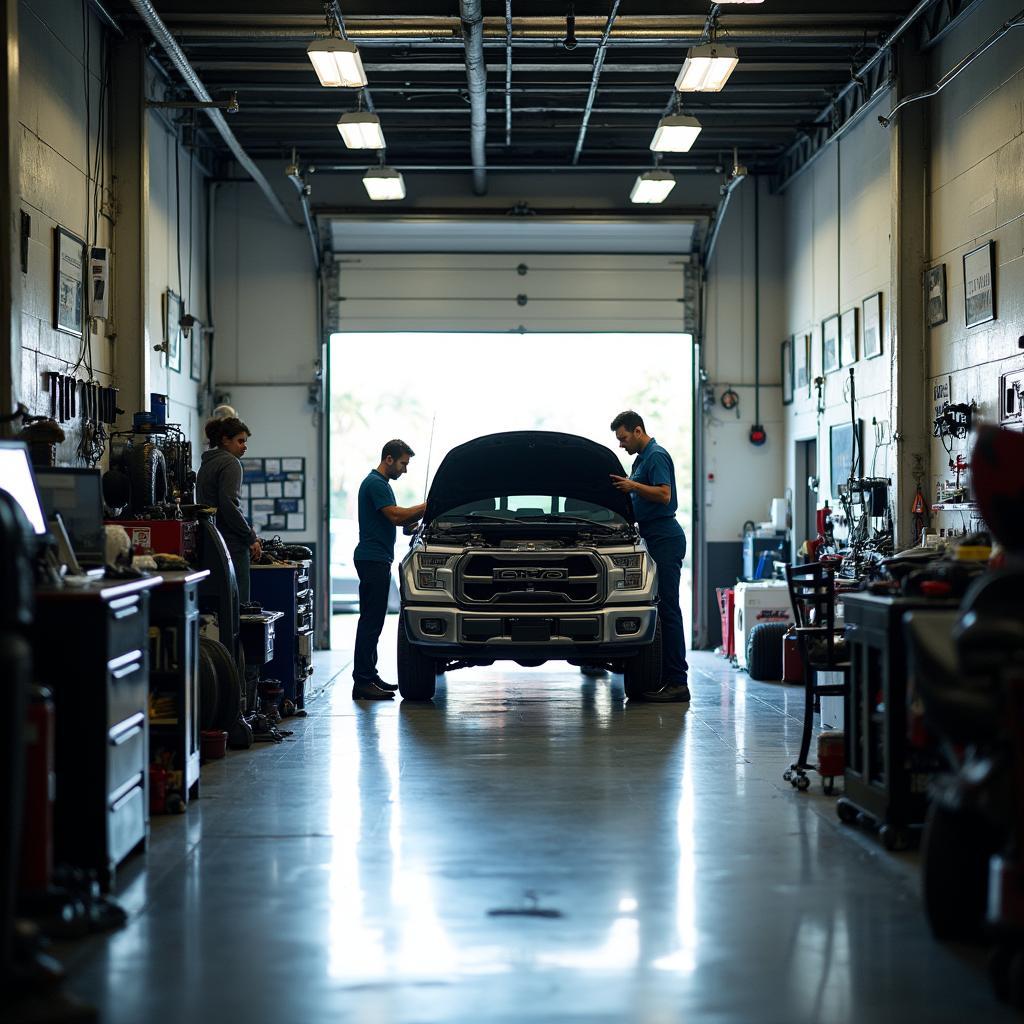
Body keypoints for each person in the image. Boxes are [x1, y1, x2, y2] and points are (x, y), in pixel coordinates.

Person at [609, 411, 690, 704]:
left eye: (623, 438)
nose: (621, 444)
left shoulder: (656, 455)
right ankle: (666, 677)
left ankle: (678, 682)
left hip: (665, 537)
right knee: (659, 608)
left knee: (669, 609)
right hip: (652, 536)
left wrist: (633, 486)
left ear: (638, 430)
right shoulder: (641, 460)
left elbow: (664, 495)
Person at [352, 439, 427, 701]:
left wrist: (413, 524)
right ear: (389, 459)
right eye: (403, 464)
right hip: (372, 559)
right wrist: (428, 506)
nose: (405, 470)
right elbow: (395, 516)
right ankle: (362, 682)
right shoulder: (375, 484)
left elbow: (395, 521)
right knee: (371, 622)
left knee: (374, 620)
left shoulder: (381, 485)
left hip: (375, 558)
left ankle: (369, 676)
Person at [196, 416, 261, 605]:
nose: (244, 446)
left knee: (219, 608)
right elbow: (229, 504)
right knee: (238, 606)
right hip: (232, 542)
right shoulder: (231, 463)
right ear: (225, 440)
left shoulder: (207, 464)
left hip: (211, 540)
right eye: (240, 441)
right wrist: (250, 536)